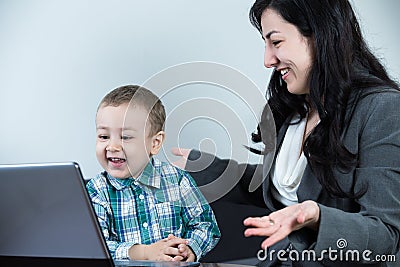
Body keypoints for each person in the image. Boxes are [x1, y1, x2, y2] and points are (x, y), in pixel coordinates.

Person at [172, 0, 400, 266]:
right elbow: (281, 189)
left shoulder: (383, 108)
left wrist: (316, 216)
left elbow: (387, 234)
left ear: (320, 36)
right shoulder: (296, 107)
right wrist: (201, 168)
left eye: (276, 42)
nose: (268, 60)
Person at [86, 85, 220, 262]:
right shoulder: (96, 191)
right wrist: (144, 253)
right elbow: (95, 248)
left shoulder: (177, 180)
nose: (112, 147)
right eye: (104, 136)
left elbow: (206, 226)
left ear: (155, 143)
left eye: (125, 137)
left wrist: (189, 249)